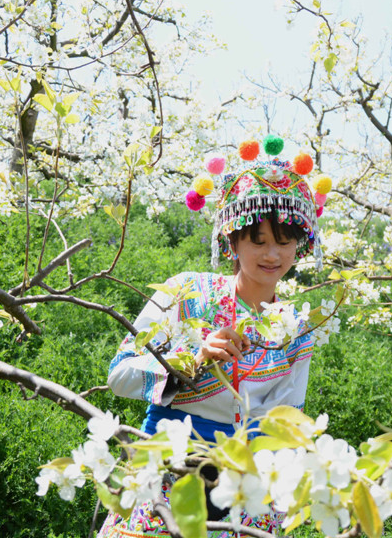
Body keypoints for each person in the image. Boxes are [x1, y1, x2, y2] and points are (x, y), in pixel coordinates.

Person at [96, 137, 332, 538]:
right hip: (167, 471)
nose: (272, 253)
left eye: (284, 240)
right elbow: (120, 377)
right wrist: (194, 356)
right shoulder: (186, 291)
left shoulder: (297, 326)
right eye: (257, 240)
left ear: (301, 245)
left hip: (246, 489)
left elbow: (287, 421)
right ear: (232, 241)